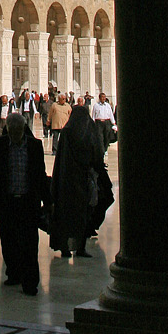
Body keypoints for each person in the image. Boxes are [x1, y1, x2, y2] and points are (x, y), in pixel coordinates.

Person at [0, 111, 51, 294]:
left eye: (18, 129)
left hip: (28, 203)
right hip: (7, 202)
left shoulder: (35, 146)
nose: (15, 133)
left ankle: (30, 282)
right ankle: (13, 273)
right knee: (8, 242)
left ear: (24, 128)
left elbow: (40, 175)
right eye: (11, 130)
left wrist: (48, 201)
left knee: (30, 244)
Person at [50, 104, 110, 257]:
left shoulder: (67, 131)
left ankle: (64, 247)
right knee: (83, 213)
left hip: (67, 180)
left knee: (66, 213)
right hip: (84, 180)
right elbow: (98, 153)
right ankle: (80, 247)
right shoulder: (90, 130)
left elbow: (61, 158)